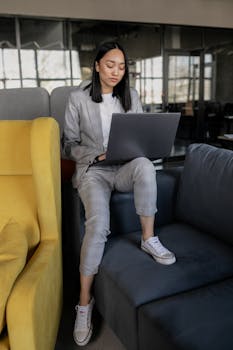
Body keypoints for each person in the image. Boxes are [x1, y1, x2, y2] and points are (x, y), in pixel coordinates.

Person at [62, 41, 176, 347]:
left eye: (122, 66)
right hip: (94, 172)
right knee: (98, 225)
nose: (116, 72)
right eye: (110, 65)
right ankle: (84, 302)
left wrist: (140, 149)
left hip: (124, 167)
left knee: (144, 165)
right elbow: (68, 144)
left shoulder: (132, 96)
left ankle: (148, 238)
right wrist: (95, 155)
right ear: (97, 65)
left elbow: (139, 136)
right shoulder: (78, 98)